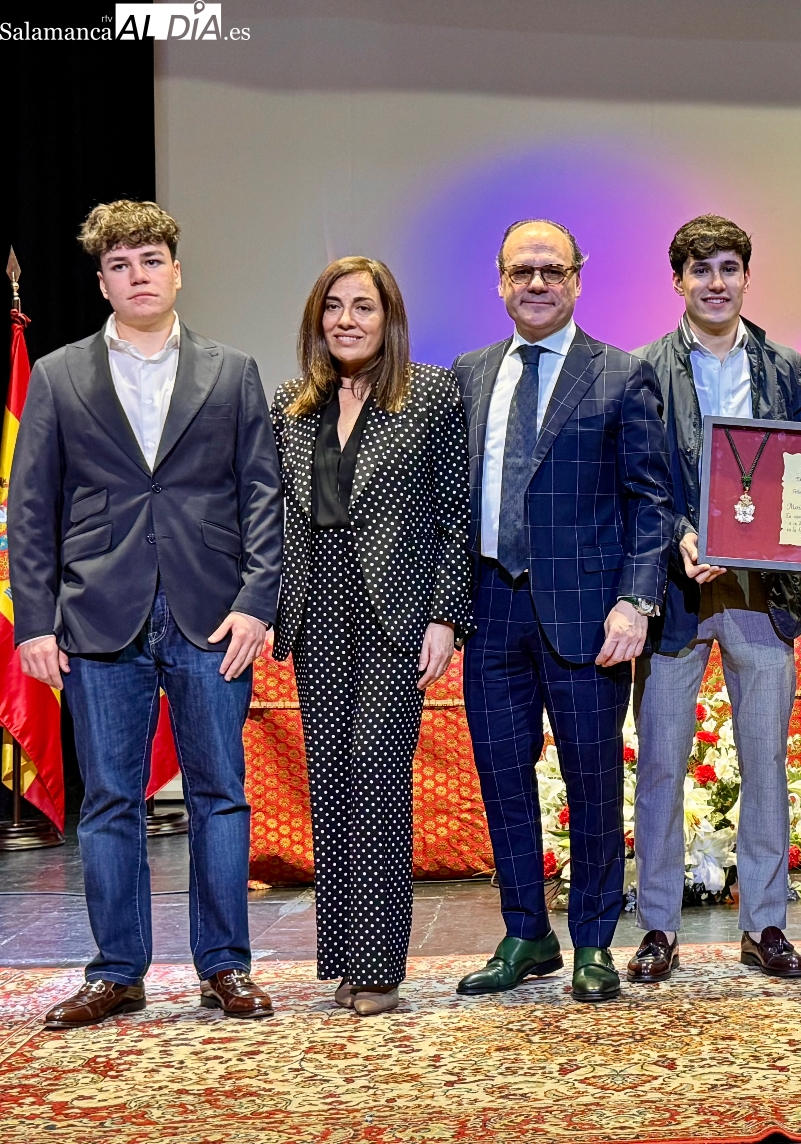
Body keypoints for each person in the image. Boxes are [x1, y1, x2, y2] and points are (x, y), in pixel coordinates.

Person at [12, 201, 281, 1028]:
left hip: (210, 617)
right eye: (122, 265)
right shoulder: (58, 376)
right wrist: (34, 623)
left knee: (219, 795)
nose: (139, 276)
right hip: (98, 616)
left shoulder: (231, 371)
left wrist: (254, 603)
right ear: (102, 280)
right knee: (110, 802)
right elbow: (31, 509)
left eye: (152, 261)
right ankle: (116, 970)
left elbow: (262, 497)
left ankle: (225, 967)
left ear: (176, 270)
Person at [452, 219, 672, 1004]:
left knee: (591, 780)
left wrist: (636, 600)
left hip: (588, 615)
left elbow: (652, 502)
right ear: (500, 282)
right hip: (489, 610)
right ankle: (526, 934)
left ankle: (593, 943)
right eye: (521, 271)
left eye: (551, 270)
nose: (536, 283)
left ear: (578, 279)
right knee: (502, 777)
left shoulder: (620, 374)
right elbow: (452, 506)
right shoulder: (469, 375)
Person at [270, 257, 471, 1016]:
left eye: (363, 306)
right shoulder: (290, 404)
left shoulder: (429, 396)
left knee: (376, 772)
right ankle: (346, 958)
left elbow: (455, 518)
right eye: (333, 306)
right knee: (330, 779)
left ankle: (381, 961)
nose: (347, 319)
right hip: (315, 606)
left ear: (389, 317)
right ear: (316, 319)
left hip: (396, 613)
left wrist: (445, 617)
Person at [627, 216, 801, 983]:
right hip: (675, 589)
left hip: (759, 592)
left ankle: (764, 924)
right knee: (663, 762)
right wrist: (679, 533)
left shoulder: (783, 364)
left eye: (728, 267)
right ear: (678, 281)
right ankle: (659, 930)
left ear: (745, 277)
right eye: (699, 269)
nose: (715, 282)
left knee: (765, 759)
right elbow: (639, 476)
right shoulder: (643, 367)